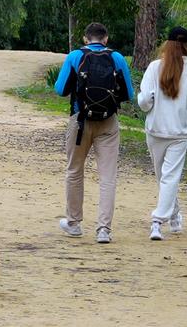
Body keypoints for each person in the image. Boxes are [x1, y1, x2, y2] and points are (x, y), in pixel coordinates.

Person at [55, 22, 134, 244]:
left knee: (74, 170)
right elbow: (128, 93)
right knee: (108, 176)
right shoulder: (117, 58)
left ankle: (74, 223)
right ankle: (103, 230)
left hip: (80, 121)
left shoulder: (74, 56)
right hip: (108, 123)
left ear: (85, 38)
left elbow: (60, 90)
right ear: (106, 39)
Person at [136, 26, 187, 242]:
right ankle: (174, 215)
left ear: (167, 44)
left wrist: (148, 104)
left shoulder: (155, 68)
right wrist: (184, 116)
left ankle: (157, 221)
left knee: (164, 177)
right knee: (168, 178)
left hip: (155, 130)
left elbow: (145, 102)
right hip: (179, 132)